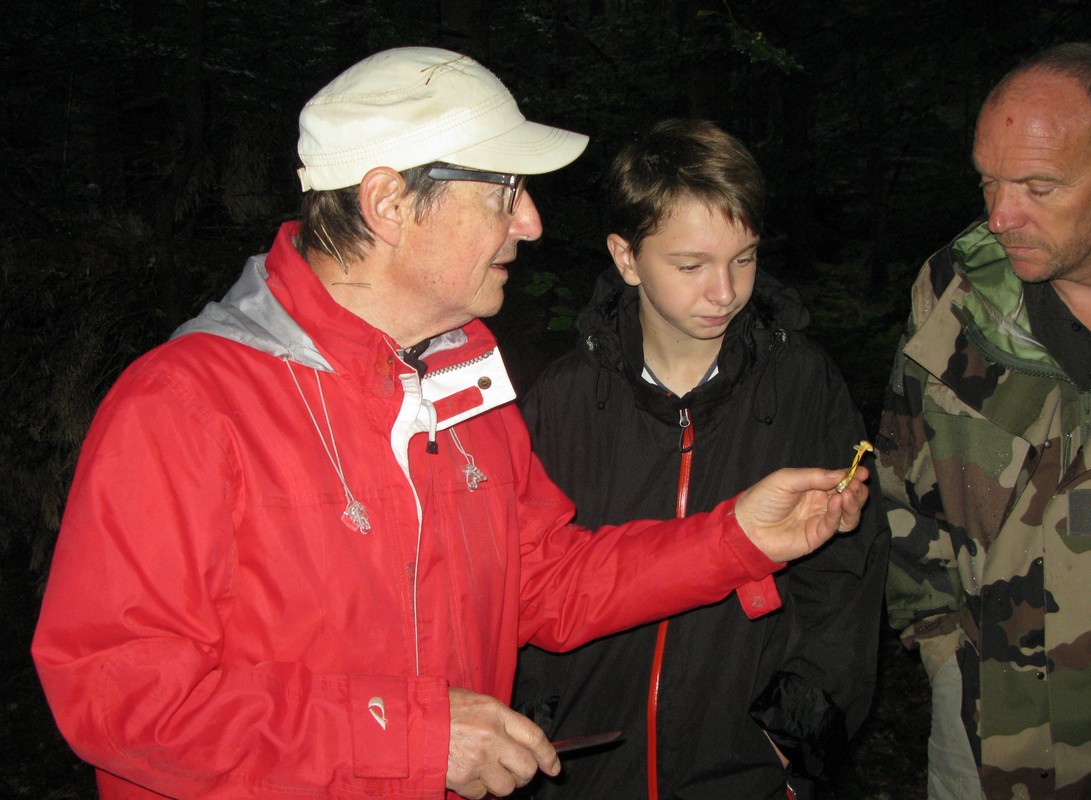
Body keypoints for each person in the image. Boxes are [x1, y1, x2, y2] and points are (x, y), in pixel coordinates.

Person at [30, 47, 870, 800]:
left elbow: (546, 581)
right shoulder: (187, 406)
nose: (531, 221)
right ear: (389, 202)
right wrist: (415, 740)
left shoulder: (464, 390)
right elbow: (117, 695)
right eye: (505, 192)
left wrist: (736, 539)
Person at [512, 119, 888, 800]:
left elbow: (847, 573)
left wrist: (796, 728)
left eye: (744, 259)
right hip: (590, 767)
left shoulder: (800, 385)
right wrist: (536, 717)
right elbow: (518, 578)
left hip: (742, 765)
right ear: (627, 259)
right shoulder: (563, 402)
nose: (725, 291)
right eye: (691, 266)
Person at [879, 42, 1091, 800]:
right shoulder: (953, 296)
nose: (999, 216)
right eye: (988, 181)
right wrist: (942, 653)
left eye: (1038, 186)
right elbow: (900, 483)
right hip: (987, 732)